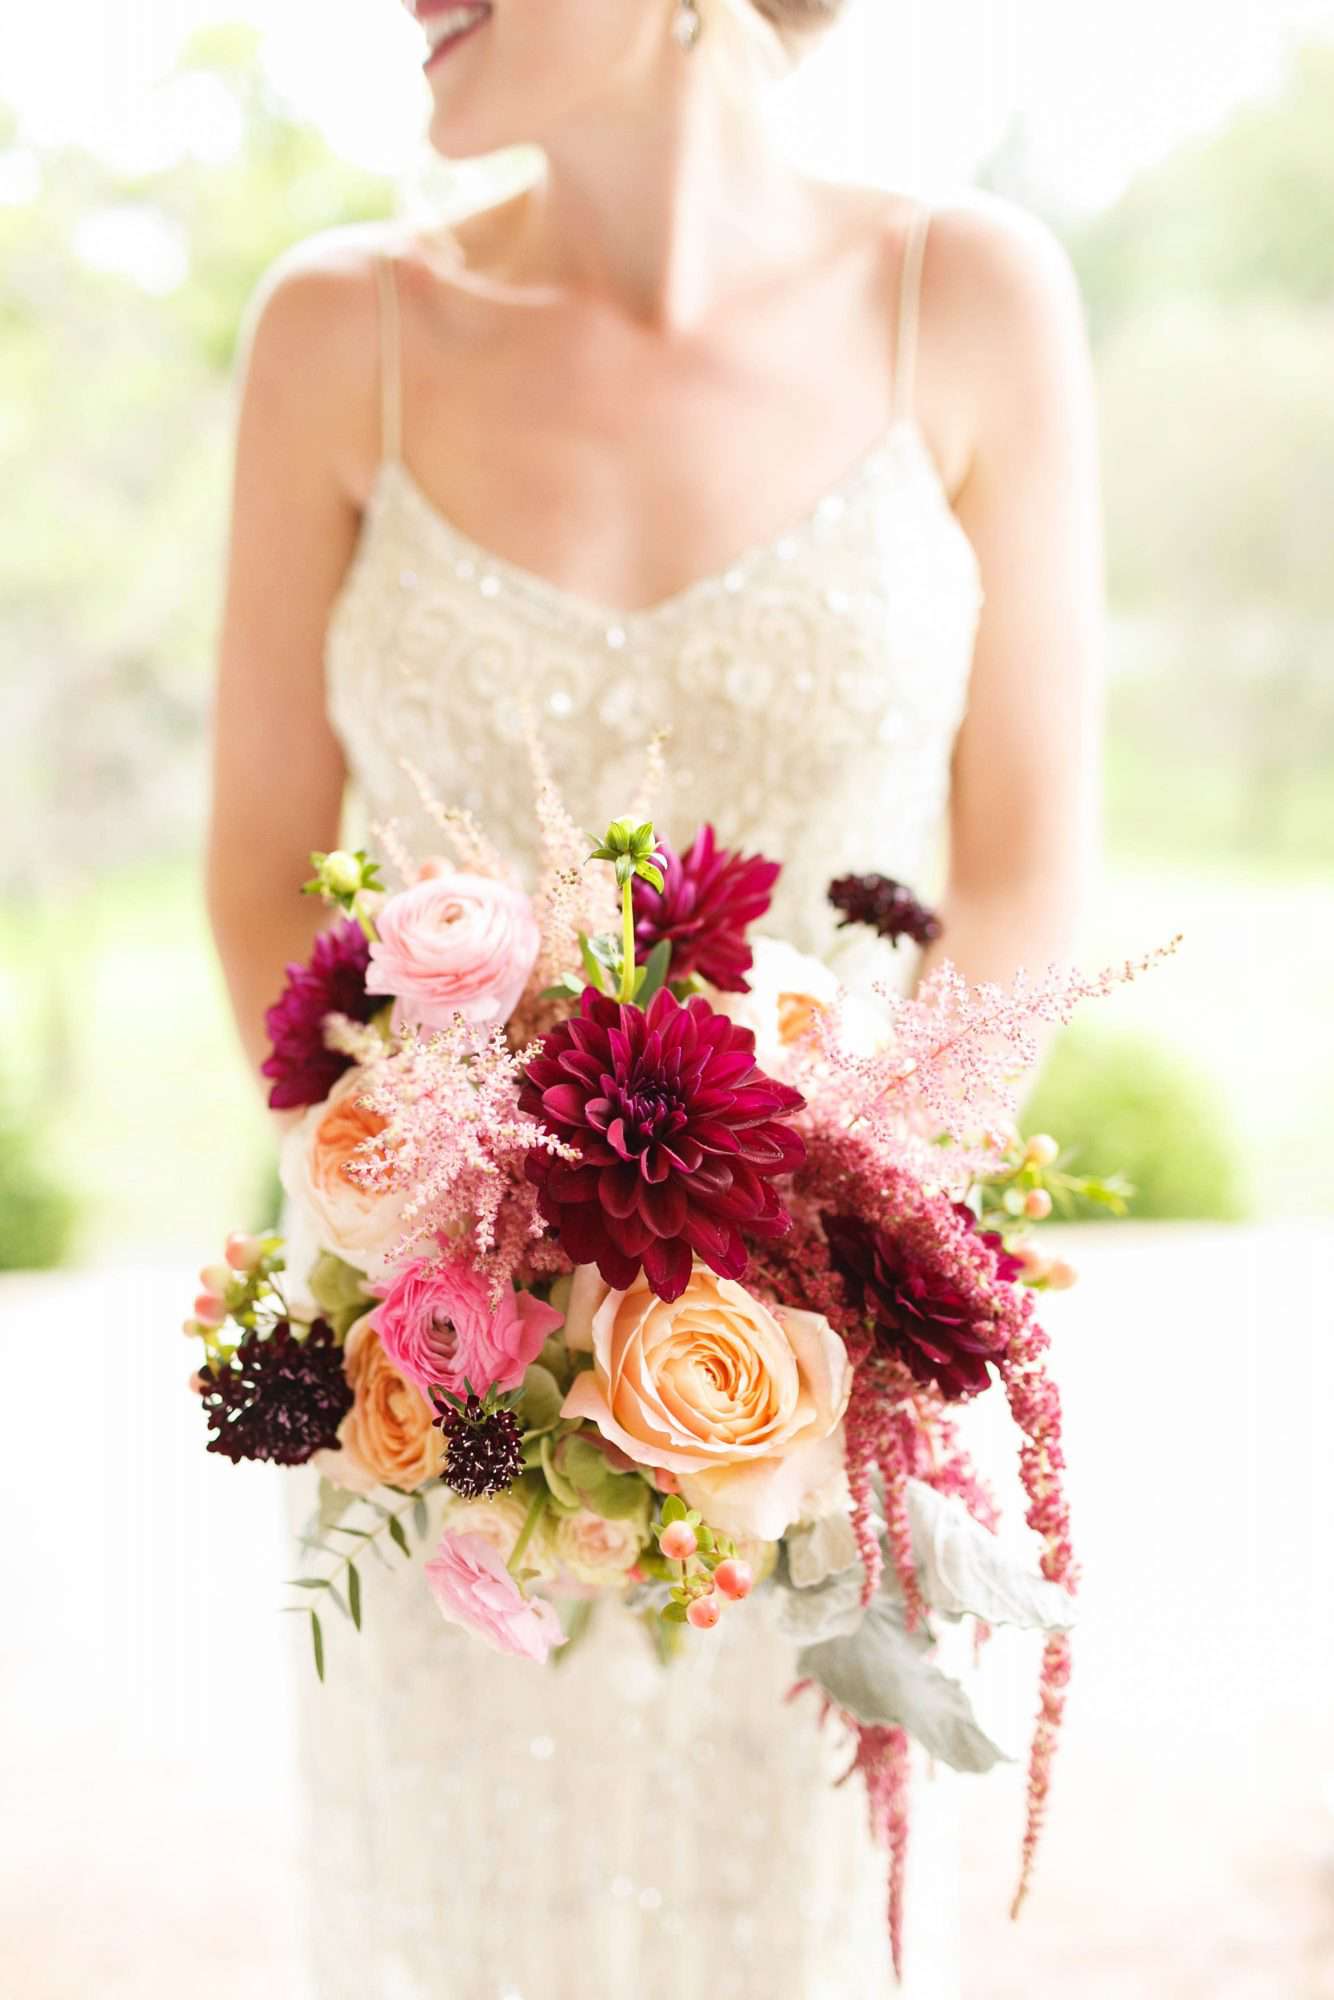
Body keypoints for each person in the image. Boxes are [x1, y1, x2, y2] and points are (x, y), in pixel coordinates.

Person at [206, 2, 1102, 1992]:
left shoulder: (964, 299)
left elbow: (1029, 871)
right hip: (440, 1397)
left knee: (793, 1920)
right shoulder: (333, 332)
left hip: (821, 1399)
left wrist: (821, 1247)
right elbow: (264, 869)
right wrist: (462, 1249)